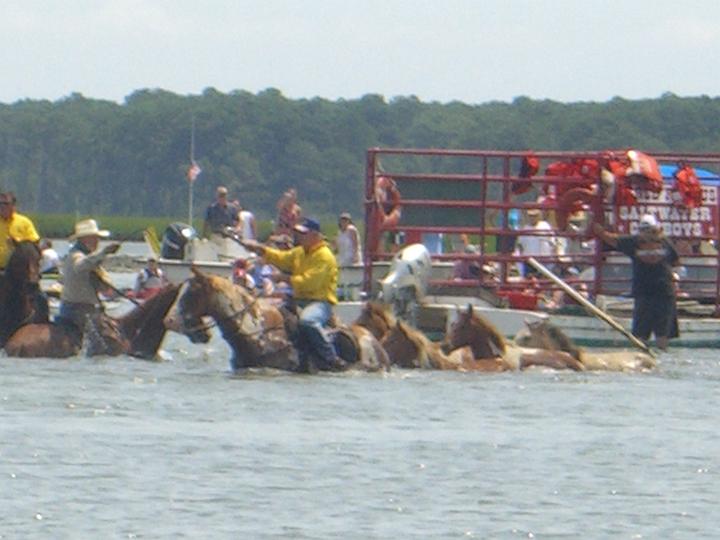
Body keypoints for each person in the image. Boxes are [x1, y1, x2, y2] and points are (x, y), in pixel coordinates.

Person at [242, 217, 345, 372]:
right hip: (298, 299)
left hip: (320, 302)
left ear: (315, 235)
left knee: (307, 321)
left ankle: (330, 357)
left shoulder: (324, 256)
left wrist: (284, 279)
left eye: (303, 233)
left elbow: (310, 282)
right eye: (298, 233)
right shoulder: (300, 252)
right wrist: (259, 249)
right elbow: (281, 258)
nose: (299, 236)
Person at [593, 214, 680, 350]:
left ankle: (642, 358)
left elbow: (613, 240)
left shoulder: (634, 242)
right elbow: (676, 261)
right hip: (665, 291)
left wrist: (599, 231)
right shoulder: (666, 242)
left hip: (644, 291)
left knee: (641, 334)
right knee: (663, 334)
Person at [58, 219, 121, 333]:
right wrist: (104, 252)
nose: (97, 241)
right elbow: (81, 265)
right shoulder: (75, 255)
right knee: (107, 342)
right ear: (84, 239)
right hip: (78, 310)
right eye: (94, 237)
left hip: (80, 309)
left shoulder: (86, 257)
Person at [0, 192, 40, 271]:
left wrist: (18, 242)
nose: (2, 206)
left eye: (5, 203)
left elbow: (34, 243)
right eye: (0, 203)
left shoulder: (24, 222)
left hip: (18, 271)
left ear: (13, 205)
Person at [514, 208, 558, 277]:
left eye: (535, 215)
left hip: (544, 261)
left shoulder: (545, 226)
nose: (533, 218)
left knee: (544, 282)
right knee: (529, 283)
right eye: (531, 216)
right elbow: (520, 246)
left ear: (539, 215)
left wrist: (553, 259)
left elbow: (553, 243)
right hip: (530, 262)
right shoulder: (525, 229)